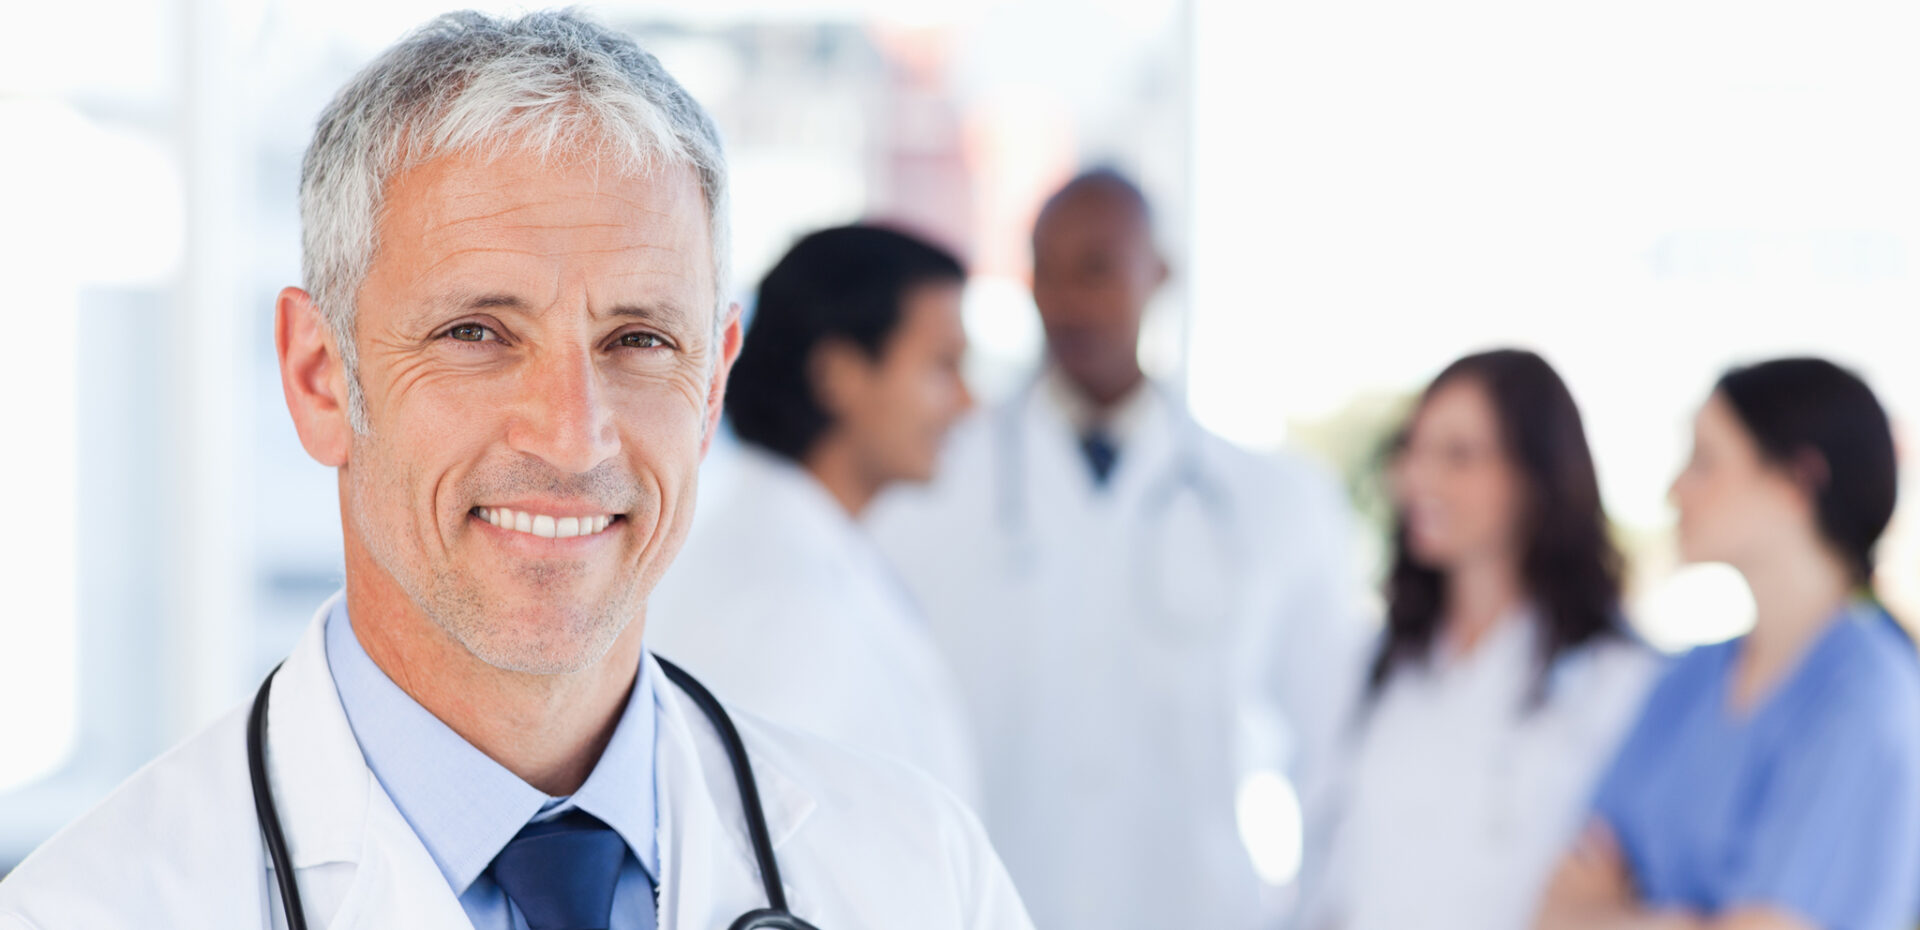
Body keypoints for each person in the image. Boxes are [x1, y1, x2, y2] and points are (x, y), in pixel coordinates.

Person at [0, 12, 1033, 929]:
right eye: (476, 332)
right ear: (321, 379)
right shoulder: (93, 907)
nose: (572, 436)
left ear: (712, 387)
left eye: (638, 340)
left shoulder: (918, 877)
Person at [867, 168, 1363, 930]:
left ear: (1159, 273)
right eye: (1046, 267)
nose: (1066, 299)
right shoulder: (930, 485)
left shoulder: (1273, 504)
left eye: (1097, 266)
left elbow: (1331, 753)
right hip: (988, 903)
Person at [1537, 358, 1920, 930]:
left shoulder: (1868, 696)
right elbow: (1555, 910)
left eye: (1705, 462)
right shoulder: (1687, 678)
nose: (1674, 490)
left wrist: (1628, 912)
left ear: (1797, 481)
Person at [1291, 350, 1660, 930]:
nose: (1419, 479)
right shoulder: (1376, 664)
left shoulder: (1614, 681)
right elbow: (1326, 878)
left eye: (1459, 456)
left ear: (1536, 476)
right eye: (1413, 450)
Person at [646, 224, 982, 806]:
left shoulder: (813, 547)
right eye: (941, 366)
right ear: (841, 375)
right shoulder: (776, 595)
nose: (967, 401)